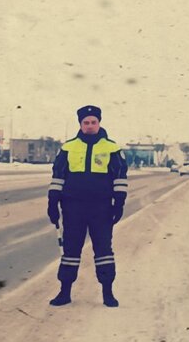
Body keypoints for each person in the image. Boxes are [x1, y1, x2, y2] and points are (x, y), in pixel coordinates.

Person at [46, 105, 128, 308]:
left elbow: (120, 177)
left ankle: (108, 293)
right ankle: (64, 292)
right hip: (72, 207)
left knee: (104, 250)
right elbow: (58, 176)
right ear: (80, 124)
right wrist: (52, 202)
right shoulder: (68, 147)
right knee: (71, 250)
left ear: (99, 123)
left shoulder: (112, 148)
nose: (90, 126)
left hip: (101, 208)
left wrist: (119, 203)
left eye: (93, 122)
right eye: (86, 122)